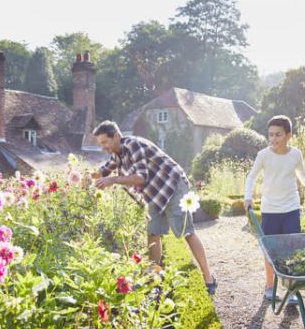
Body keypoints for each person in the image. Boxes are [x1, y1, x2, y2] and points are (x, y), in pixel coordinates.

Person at [91, 120, 217, 294]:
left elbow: (141, 177)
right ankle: (156, 280)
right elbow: (103, 170)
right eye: (100, 143)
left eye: (105, 142)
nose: (103, 146)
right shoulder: (116, 153)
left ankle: (208, 278)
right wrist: (84, 175)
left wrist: (113, 180)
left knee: (186, 232)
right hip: (154, 194)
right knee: (153, 233)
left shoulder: (134, 145)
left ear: (117, 136)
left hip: (173, 186)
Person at [244, 115, 305, 304]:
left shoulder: (295, 154)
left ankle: (292, 289)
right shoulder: (263, 155)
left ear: (289, 135)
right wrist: (248, 197)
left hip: (291, 207)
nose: (273, 139)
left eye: (278, 135)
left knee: (292, 248)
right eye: (270, 135)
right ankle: (270, 286)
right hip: (270, 208)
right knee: (270, 249)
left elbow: (303, 176)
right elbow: (252, 177)